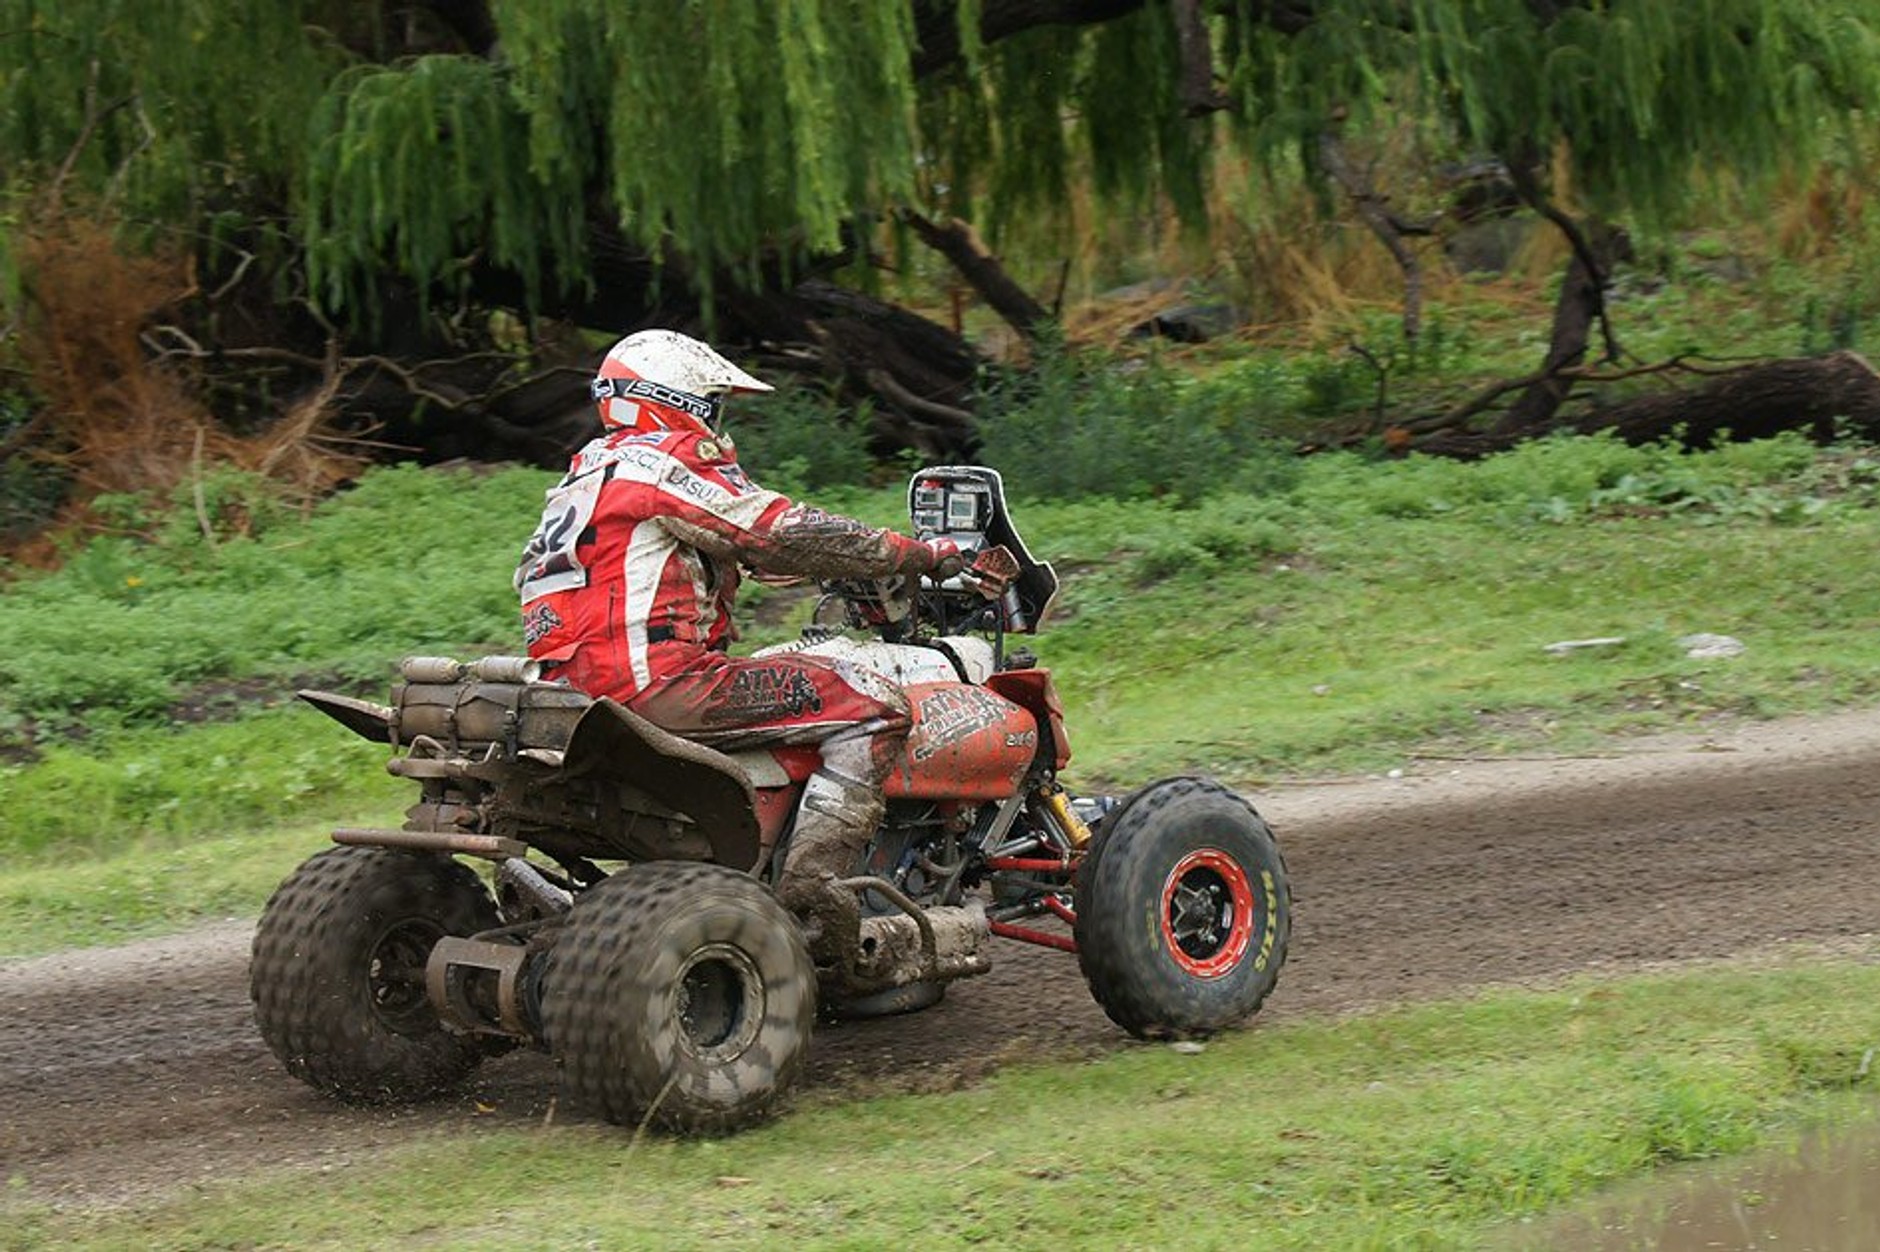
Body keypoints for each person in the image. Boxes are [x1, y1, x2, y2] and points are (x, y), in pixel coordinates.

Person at [515, 329, 963, 971]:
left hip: (569, 689)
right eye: (713, 403)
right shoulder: (663, 462)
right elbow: (777, 530)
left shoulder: (588, 473)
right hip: (658, 684)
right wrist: (914, 554)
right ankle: (813, 898)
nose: (718, 419)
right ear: (677, 401)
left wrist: (820, 566)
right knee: (877, 705)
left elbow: (735, 551)